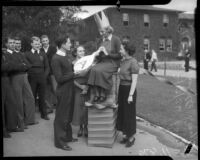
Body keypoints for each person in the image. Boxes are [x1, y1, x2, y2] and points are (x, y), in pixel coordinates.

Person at [51, 35, 84, 151]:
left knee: (68, 114)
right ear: (63, 44)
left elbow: (69, 71)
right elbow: (59, 78)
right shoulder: (55, 59)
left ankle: (67, 137)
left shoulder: (66, 56)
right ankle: (59, 142)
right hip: (63, 90)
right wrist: (74, 73)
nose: (71, 44)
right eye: (69, 43)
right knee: (62, 116)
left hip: (70, 89)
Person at [86, 25, 122, 105]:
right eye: (100, 32)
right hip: (102, 62)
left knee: (99, 70)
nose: (101, 33)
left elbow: (119, 55)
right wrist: (97, 53)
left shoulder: (116, 39)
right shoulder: (100, 40)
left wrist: (108, 54)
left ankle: (103, 94)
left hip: (113, 62)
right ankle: (97, 94)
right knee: (93, 69)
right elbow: (99, 56)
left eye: (103, 32)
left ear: (108, 31)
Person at [116, 42, 139, 148]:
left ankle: (131, 137)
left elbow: (134, 81)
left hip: (129, 90)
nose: (120, 50)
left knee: (129, 114)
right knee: (122, 113)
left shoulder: (133, 62)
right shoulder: (123, 61)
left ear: (126, 50)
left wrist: (130, 95)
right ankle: (125, 135)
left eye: (121, 49)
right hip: (122, 89)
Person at [12, 37, 39, 127]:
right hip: (15, 77)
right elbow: (14, 67)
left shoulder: (22, 54)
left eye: (19, 43)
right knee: (18, 100)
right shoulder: (11, 54)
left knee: (30, 98)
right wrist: (22, 65)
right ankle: (20, 123)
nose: (18, 45)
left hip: (24, 76)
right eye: (16, 43)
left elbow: (28, 65)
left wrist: (22, 65)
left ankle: (30, 120)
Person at [2, 37, 24, 133]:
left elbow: (11, 65)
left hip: (7, 79)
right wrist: (17, 65)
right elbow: (6, 67)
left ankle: (11, 126)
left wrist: (12, 65)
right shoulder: (5, 53)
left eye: (12, 42)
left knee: (12, 103)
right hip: (5, 78)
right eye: (10, 42)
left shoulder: (6, 54)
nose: (12, 44)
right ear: (6, 44)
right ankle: (5, 129)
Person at [25, 36, 50, 120]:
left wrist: (45, 76)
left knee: (42, 97)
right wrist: (30, 75)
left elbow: (47, 67)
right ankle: (31, 116)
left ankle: (44, 114)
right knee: (32, 97)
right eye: (35, 43)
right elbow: (27, 67)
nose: (37, 45)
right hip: (32, 79)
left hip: (42, 78)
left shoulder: (43, 54)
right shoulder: (27, 54)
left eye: (38, 43)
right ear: (31, 44)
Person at [72, 46, 88, 138]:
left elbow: (91, 76)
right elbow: (71, 78)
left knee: (86, 109)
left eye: (83, 51)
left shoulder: (88, 63)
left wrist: (86, 87)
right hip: (77, 87)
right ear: (76, 53)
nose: (82, 52)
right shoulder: (73, 63)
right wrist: (81, 87)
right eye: (80, 51)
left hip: (87, 88)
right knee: (78, 109)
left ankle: (85, 127)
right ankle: (80, 127)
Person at [40, 35, 57, 112]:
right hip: (44, 73)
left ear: (48, 40)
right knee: (47, 91)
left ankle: (59, 105)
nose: (45, 42)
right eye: (43, 41)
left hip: (53, 72)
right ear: (41, 42)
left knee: (55, 89)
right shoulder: (40, 50)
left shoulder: (53, 48)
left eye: (46, 40)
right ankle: (49, 107)